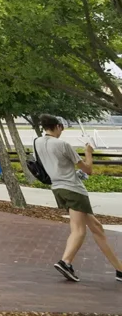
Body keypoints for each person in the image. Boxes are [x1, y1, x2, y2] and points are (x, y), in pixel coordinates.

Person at [36, 115, 122, 283]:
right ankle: (65, 262)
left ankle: (119, 269)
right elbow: (88, 169)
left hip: (58, 189)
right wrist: (88, 152)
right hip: (73, 190)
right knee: (79, 230)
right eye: (62, 127)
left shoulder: (37, 143)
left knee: (97, 228)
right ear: (58, 126)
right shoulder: (63, 144)